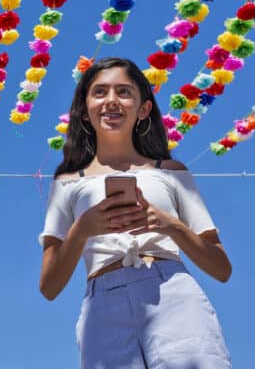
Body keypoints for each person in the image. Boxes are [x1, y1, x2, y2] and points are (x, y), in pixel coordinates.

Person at [39, 57, 233, 368]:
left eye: (124, 91)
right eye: (100, 92)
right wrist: (82, 229)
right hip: (102, 305)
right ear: (84, 110)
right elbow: (49, 286)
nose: (111, 100)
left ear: (143, 108)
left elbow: (222, 268)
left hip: (174, 295)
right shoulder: (66, 182)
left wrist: (171, 226)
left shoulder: (171, 172)